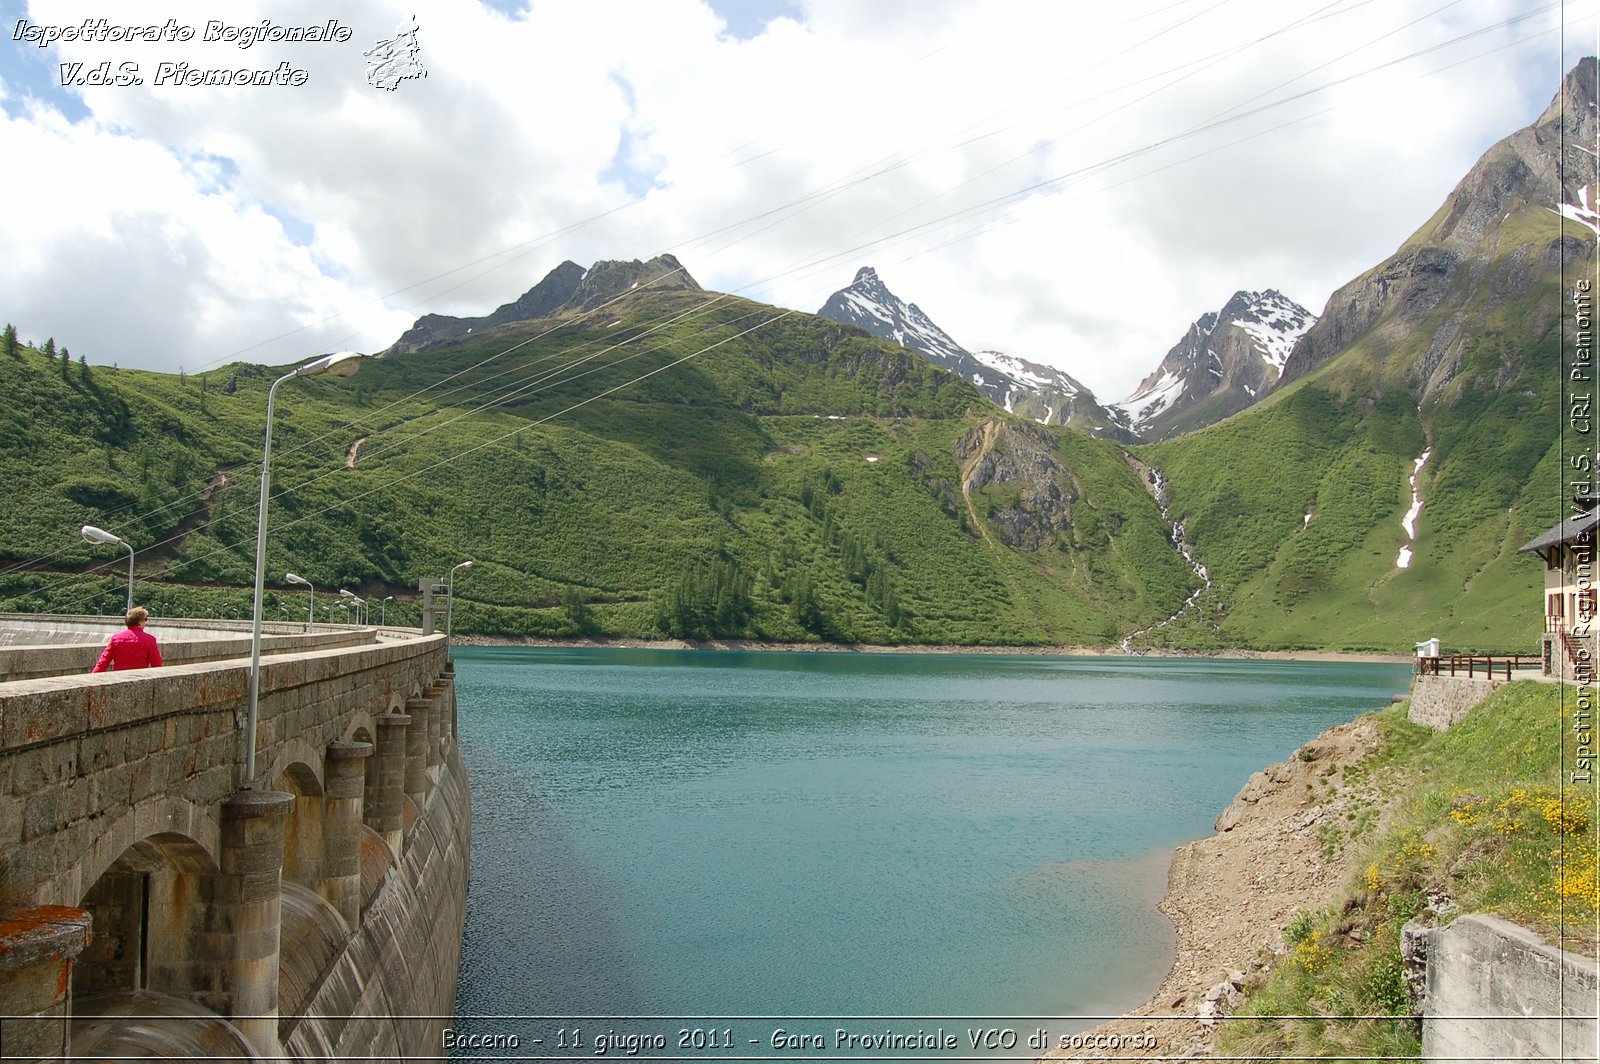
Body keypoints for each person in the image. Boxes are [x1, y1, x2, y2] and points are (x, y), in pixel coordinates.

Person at [91, 606, 164, 672]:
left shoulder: (115, 638)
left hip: (119, 679)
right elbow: (156, 664)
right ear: (140, 622)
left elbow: (103, 663)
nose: (146, 622)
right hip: (140, 679)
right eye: (145, 619)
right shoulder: (150, 640)